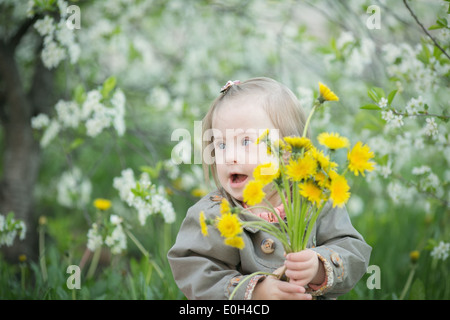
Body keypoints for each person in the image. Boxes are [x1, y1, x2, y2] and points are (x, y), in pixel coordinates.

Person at [167, 77, 371, 300]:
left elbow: (353, 250)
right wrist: (254, 292)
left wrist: (318, 266)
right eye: (221, 144)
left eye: (246, 142)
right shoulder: (214, 215)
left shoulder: (313, 200)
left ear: (288, 151)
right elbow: (194, 270)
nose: (230, 157)